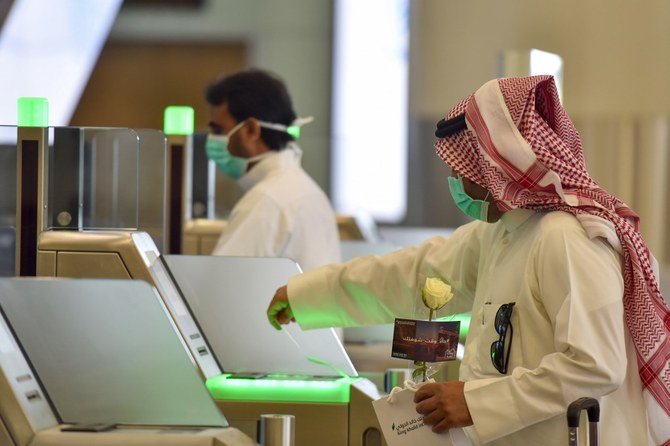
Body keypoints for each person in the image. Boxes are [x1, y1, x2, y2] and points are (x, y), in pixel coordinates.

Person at [266, 76, 670, 445]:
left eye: (464, 170)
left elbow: (595, 366)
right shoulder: (503, 231)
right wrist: (306, 294)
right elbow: (415, 276)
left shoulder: (567, 239)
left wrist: (475, 402)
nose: (458, 185)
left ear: (497, 163)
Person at [205, 68, 340, 271]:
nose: (212, 139)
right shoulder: (301, 188)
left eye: (218, 130)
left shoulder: (267, 201)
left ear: (251, 130)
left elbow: (220, 285)